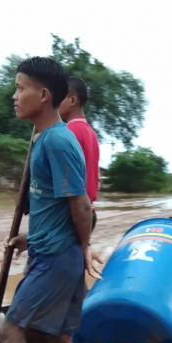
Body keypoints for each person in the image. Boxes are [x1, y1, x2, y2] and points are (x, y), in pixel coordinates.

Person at [0, 57, 102, 343]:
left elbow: (82, 205)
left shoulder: (57, 141)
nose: (14, 96)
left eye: (20, 88)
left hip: (57, 259)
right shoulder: (45, 139)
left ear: (43, 95)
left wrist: (83, 247)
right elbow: (56, 209)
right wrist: (31, 238)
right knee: (59, 336)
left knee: (10, 333)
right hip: (54, 251)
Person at [59, 76, 100, 231]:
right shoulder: (91, 133)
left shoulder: (68, 132)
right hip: (90, 211)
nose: (56, 103)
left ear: (72, 100)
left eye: (60, 97)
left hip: (73, 214)